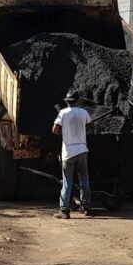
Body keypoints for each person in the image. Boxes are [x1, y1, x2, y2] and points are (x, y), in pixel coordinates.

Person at [52, 91, 92, 219]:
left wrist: (62, 132)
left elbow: (55, 129)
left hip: (68, 153)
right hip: (82, 150)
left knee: (67, 181)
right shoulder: (84, 112)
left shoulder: (63, 113)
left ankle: (64, 210)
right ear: (77, 100)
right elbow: (90, 125)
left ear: (66, 101)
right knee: (84, 179)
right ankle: (86, 207)